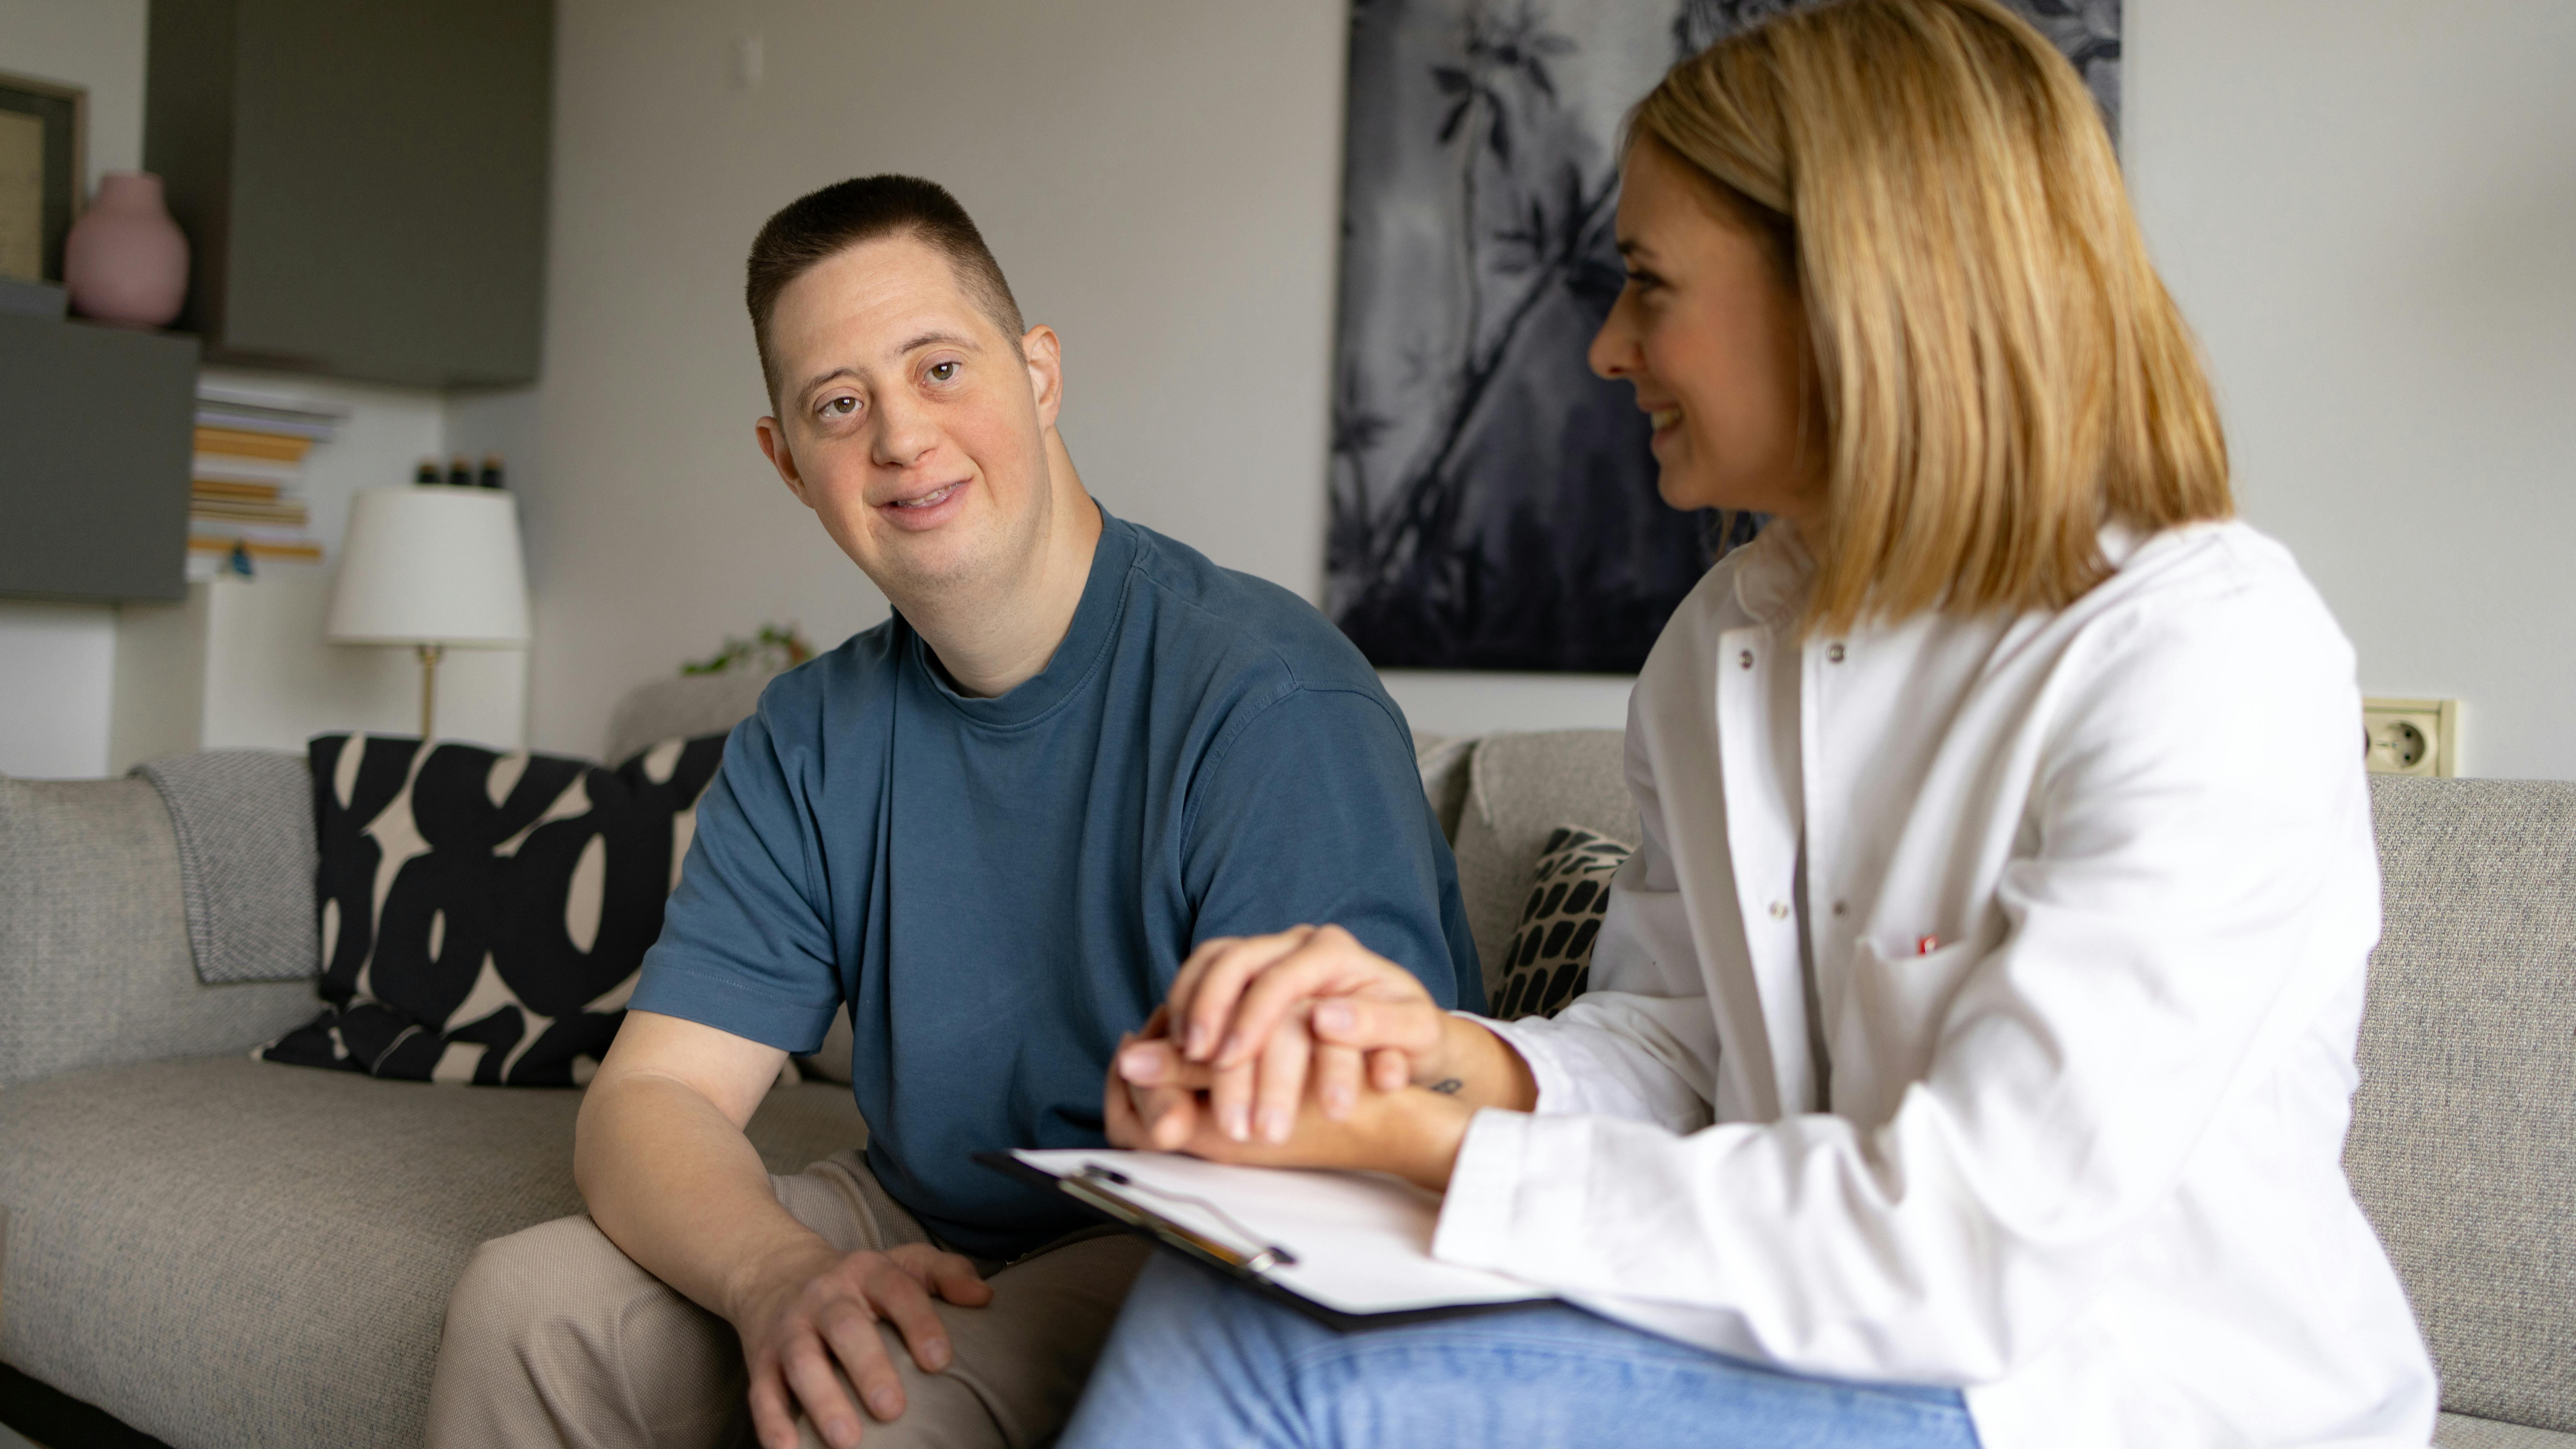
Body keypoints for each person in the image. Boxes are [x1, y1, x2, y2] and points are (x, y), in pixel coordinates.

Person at [1075, 2, 2439, 1446]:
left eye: (1647, 285)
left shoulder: (2200, 655)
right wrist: (1420, 1058)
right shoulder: (1722, 641)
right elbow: (1685, 1048)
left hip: (2095, 1390)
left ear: (1850, 291)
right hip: (1828, 1329)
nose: (1607, 349)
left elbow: (1970, 1250)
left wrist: (1434, 1149)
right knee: (1216, 1286)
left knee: (1260, 1369)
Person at [423, 175, 1481, 1449]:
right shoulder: (808, 735)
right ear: (786, 461)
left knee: (862, 1405)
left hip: (1198, 1244)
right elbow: (653, 1101)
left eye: (937, 369)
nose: (899, 440)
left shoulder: (1264, 695)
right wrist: (774, 1276)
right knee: (525, 1302)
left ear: (1038, 374)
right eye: (838, 404)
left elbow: (1342, 1162)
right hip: (928, 1215)